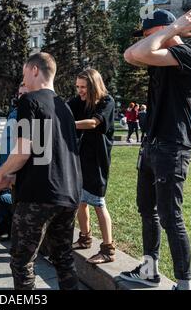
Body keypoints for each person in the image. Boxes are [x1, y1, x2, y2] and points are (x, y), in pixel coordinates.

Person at [120, 9, 191, 290]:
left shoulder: (188, 55)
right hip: (152, 144)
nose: (144, 39)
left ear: (165, 29)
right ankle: (148, 271)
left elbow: (138, 53)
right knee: (147, 210)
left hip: (172, 147)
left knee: (170, 216)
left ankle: (185, 284)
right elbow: (130, 55)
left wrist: (173, 30)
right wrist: (170, 30)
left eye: (147, 34)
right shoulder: (159, 58)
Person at [0, 52, 82, 290]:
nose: (24, 78)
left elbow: (23, 151)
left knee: (22, 261)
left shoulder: (30, 101)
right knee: (63, 259)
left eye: (25, 72)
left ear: (35, 70)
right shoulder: (64, 107)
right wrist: (14, 176)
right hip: (69, 193)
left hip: (38, 197)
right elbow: (47, 153)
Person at [69, 69, 116, 264]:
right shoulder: (79, 101)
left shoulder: (107, 102)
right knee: (81, 200)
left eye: (83, 87)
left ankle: (108, 249)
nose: (80, 91)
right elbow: (62, 108)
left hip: (97, 160)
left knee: (98, 203)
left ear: (93, 85)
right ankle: (85, 238)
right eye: (78, 87)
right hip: (80, 159)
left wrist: (67, 123)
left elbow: (93, 123)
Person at [0, 83, 29, 241]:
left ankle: (16, 228)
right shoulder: (14, 114)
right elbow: (6, 146)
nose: (22, 96)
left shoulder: (29, 115)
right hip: (9, 167)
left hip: (22, 171)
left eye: (25, 93)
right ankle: (7, 226)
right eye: (20, 93)